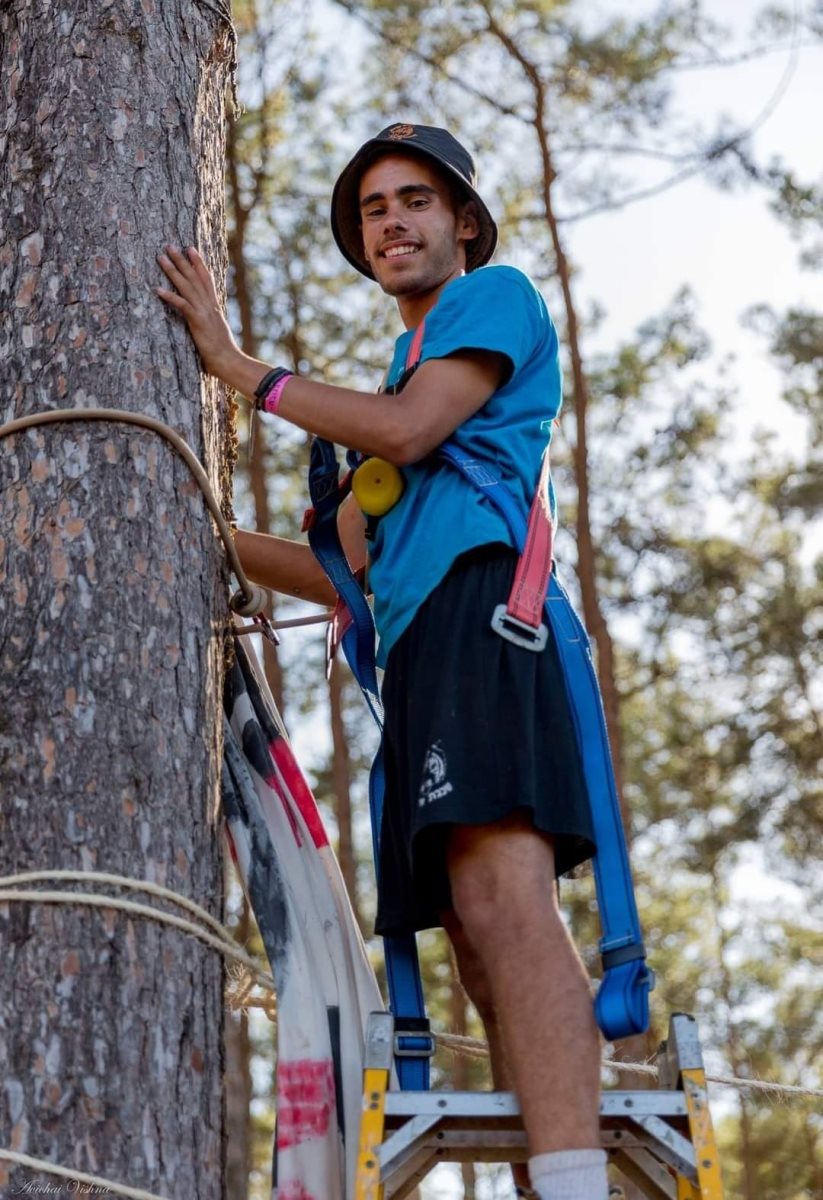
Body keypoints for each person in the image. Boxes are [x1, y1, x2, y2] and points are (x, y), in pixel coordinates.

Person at [157, 122, 607, 1200]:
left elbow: (410, 432)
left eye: (415, 200)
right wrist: (182, 526)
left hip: (487, 615)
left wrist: (238, 369)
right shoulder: (402, 374)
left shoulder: (492, 300)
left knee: (503, 899)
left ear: (461, 222)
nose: (393, 221)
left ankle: (575, 1184)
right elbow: (343, 574)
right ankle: (552, 1179)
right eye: (373, 209)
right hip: (419, 652)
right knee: (466, 936)